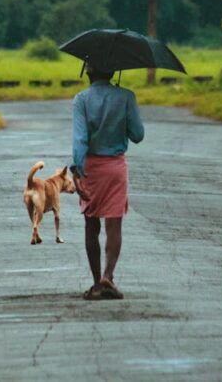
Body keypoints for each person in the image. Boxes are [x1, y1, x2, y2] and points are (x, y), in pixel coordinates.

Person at [70, 63, 144, 300]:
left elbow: (80, 138)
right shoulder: (126, 97)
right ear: (113, 73)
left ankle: (95, 283)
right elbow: (138, 135)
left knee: (91, 225)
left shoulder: (81, 100)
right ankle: (108, 277)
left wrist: (77, 169)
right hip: (115, 168)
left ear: (88, 74)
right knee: (114, 225)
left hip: (90, 168)